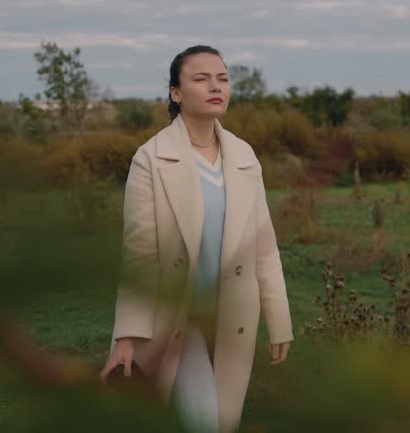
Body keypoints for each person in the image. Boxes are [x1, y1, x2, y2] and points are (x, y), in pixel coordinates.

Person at [100, 45, 294, 433]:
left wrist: (279, 320)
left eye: (222, 78)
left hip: (231, 318)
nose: (215, 86)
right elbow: (138, 255)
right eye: (200, 78)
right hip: (174, 318)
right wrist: (125, 337)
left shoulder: (244, 156)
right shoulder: (150, 159)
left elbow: (264, 247)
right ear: (176, 93)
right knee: (204, 419)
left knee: (222, 421)